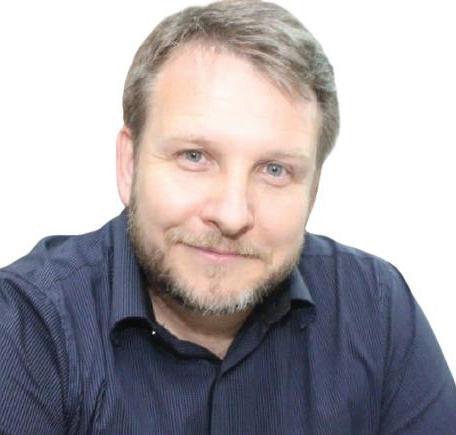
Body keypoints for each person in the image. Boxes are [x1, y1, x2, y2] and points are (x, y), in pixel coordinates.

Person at [0, 1, 455, 433]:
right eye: (194, 156)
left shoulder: (375, 309)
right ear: (129, 164)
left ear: (313, 189)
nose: (232, 215)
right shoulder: (29, 326)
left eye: (274, 170)